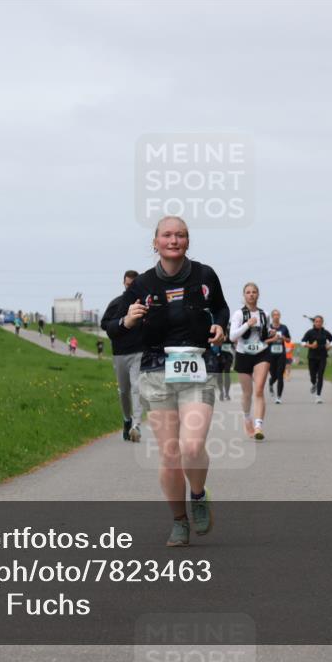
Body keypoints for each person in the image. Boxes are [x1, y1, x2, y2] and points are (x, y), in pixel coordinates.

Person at [113, 216, 229, 546]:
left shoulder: (205, 275)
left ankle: (198, 494)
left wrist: (219, 327)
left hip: (197, 368)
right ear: (155, 242)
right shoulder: (143, 285)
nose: (174, 240)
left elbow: (220, 308)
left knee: (192, 446)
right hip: (155, 371)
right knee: (170, 453)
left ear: (188, 241)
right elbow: (115, 325)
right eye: (167, 235)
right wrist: (128, 319)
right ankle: (179, 522)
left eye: (180, 235)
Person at [102, 270, 145, 441]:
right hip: (120, 353)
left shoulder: (143, 304)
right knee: (123, 391)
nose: (130, 288)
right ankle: (127, 419)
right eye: (128, 285)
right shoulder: (116, 303)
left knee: (137, 388)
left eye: (133, 285)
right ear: (123, 283)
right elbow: (104, 324)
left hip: (139, 352)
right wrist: (121, 324)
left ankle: (136, 425)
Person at [229, 283, 274, 440]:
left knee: (260, 389)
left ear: (258, 295)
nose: (251, 295)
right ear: (244, 295)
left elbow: (266, 332)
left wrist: (271, 332)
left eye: (254, 292)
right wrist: (248, 324)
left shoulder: (264, 314)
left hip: (261, 353)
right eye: (248, 292)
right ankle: (247, 418)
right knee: (247, 393)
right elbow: (232, 336)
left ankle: (258, 426)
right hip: (243, 354)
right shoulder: (238, 315)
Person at [301, 316, 332, 404]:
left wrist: (329, 346)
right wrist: (310, 346)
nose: (318, 323)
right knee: (312, 376)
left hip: (323, 356)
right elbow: (302, 342)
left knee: (320, 376)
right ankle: (313, 383)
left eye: (320, 321)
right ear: (314, 322)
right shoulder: (309, 332)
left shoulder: (326, 332)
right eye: (316, 321)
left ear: (322, 323)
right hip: (312, 357)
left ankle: (318, 396)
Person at [266, 310, 291, 404]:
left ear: (280, 316)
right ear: (272, 316)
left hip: (281, 354)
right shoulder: (268, 328)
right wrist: (273, 338)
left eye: (278, 315)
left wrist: (283, 338)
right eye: (274, 315)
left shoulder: (284, 327)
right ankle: (271, 382)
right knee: (274, 375)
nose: (276, 316)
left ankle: (279, 397)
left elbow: (288, 340)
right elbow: (264, 341)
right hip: (270, 355)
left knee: (280, 375)